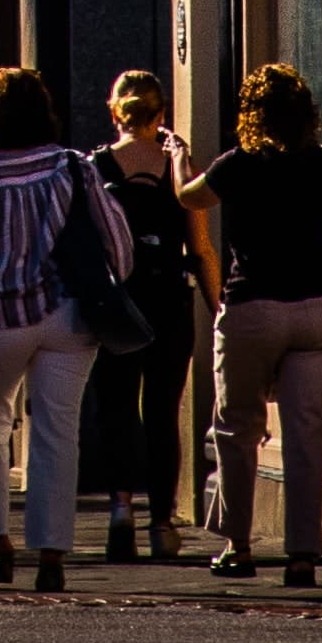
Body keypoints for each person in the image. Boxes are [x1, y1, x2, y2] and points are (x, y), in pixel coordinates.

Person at [0, 63, 123, 591]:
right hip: (66, 314)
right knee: (57, 432)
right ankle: (52, 554)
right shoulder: (71, 166)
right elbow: (116, 240)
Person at [182, 58, 322, 585]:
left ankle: (238, 545)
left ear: (252, 113)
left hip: (252, 304)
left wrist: (177, 163)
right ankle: (303, 553)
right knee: (306, 430)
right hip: (317, 307)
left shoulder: (238, 164)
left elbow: (190, 198)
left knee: (237, 427)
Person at [88, 69, 196, 563]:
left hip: (118, 302)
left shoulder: (95, 167)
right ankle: (163, 523)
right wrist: (219, 305)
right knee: (161, 412)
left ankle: (120, 511)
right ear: (161, 115)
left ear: (115, 113)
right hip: (170, 300)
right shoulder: (177, 168)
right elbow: (200, 242)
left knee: (116, 408)